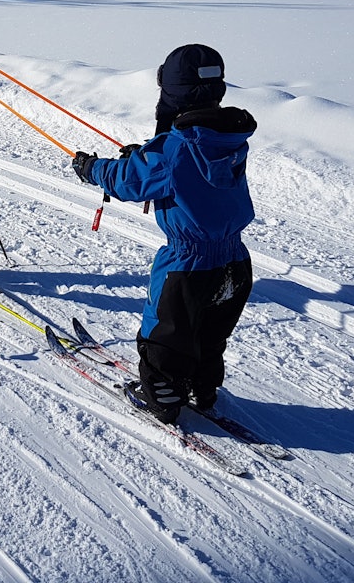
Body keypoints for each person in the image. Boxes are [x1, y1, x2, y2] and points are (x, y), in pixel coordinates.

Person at [70, 44, 256, 423]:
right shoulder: (228, 137)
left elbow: (128, 180)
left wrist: (91, 168)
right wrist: (146, 154)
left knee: (165, 335)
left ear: (172, 92)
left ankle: (162, 396)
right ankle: (202, 388)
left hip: (187, 265)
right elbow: (180, 167)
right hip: (235, 263)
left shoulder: (173, 149)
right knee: (207, 334)